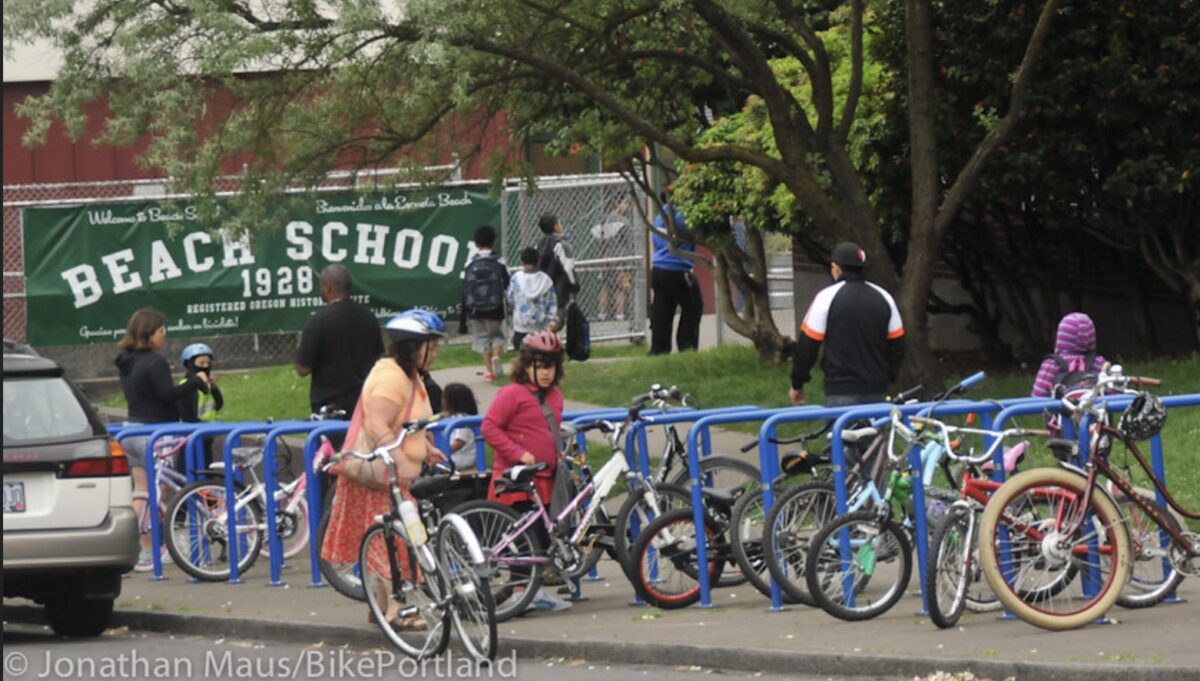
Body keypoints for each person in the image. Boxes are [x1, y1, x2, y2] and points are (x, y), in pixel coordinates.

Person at [320, 309, 448, 631]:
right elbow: (377, 421)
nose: (435, 353)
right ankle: (395, 610)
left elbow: (406, 424)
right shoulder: (392, 376)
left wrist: (425, 449)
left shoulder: (408, 374)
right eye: (430, 347)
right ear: (411, 347)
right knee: (394, 543)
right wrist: (398, 458)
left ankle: (381, 608)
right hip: (382, 476)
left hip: (391, 474)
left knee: (387, 540)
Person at [481, 330, 572, 612]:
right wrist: (518, 454)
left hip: (546, 478)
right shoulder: (512, 394)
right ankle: (523, 591)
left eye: (551, 367)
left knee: (544, 536)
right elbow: (489, 428)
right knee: (522, 539)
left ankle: (533, 591)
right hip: (516, 481)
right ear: (526, 366)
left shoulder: (555, 396)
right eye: (540, 367)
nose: (546, 373)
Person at [114, 307, 206, 571]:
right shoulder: (155, 362)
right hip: (157, 432)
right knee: (159, 490)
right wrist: (195, 382)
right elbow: (167, 395)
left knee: (142, 490)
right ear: (149, 334)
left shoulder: (126, 360)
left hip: (132, 430)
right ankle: (153, 548)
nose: (164, 336)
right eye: (161, 331)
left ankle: (142, 548)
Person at [790, 242, 906, 407]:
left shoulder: (826, 297)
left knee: (842, 432)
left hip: (840, 390)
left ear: (836, 268)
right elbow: (898, 344)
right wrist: (888, 376)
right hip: (877, 390)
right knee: (873, 433)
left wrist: (797, 383)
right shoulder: (884, 297)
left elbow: (807, 346)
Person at [295, 264, 384, 419]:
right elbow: (379, 358)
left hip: (329, 409)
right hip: (365, 403)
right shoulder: (368, 317)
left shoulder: (319, 321)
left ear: (327, 286)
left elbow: (303, 368)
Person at [649, 196, 703, 355]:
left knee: (662, 309)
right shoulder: (681, 217)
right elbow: (698, 231)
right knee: (693, 306)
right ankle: (687, 347)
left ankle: (659, 349)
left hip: (658, 269)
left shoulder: (660, 217)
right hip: (677, 269)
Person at [461, 225, 510, 381]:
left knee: (481, 338)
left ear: (475, 243)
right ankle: (496, 356)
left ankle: (489, 371)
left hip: (475, 309)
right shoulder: (499, 262)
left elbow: (464, 287)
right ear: (494, 242)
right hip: (495, 308)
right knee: (497, 335)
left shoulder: (469, 263)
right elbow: (507, 283)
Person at [1031, 312, 1108, 399]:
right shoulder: (1099, 363)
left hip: (1059, 411)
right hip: (1093, 410)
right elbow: (1112, 393)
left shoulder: (1052, 364)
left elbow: (1038, 395)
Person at [177, 342, 224, 466]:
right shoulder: (186, 385)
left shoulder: (207, 384)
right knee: (191, 468)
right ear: (190, 365)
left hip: (206, 433)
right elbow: (187, 414)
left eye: (208, 363)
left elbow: (218, 404)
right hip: (192, 435)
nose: (205, 367)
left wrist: (213, 387)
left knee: (206, 468)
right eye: (201, 363)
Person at [507, 246, 558, 350]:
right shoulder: (546, 280)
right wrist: (552, 322)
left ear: (522, 262)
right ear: (539, 261)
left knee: (523, 358)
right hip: (540, 326)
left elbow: (510, 299)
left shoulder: (516, 279)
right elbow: (552, 304)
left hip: (521, 326)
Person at [592, 196, 634, 322]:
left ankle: (602, 314)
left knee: (605, 286)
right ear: (620, 204)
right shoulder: (623, 221)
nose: (627, 207)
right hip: (621, 258)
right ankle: (619, 315)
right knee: (620, 288)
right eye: (626, 204)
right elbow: (629, 243)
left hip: (605, 258)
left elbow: (597, 239)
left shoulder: (602, 220)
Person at [535, 213, 578, 328]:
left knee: (545, 321)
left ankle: (545, 340)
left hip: (541, 289)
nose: (561, 226)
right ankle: (547, 342)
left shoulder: (539, 244)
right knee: (557, 321)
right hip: (559, 289)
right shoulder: (561, 244)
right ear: (555, 227)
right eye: (559, 223)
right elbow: (568, 268)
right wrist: (574, 286)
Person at [442, 383, 480, 472]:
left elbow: (459, 442)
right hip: (457, 455)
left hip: (462, 457)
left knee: (434, 463)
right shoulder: (453, 417)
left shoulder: (461, 420)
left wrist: (443, 452)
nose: (442, 401)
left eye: (444, 398)